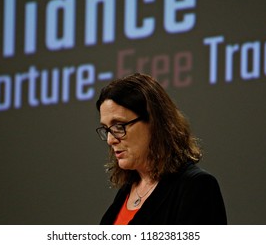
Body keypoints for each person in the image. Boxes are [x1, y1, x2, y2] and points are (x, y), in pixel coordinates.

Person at [95, 73, 227, 225]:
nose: (111, 140)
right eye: (106, 129)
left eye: (119, 126)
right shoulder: (125, 192)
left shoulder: (196, 187)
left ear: (154, 123)